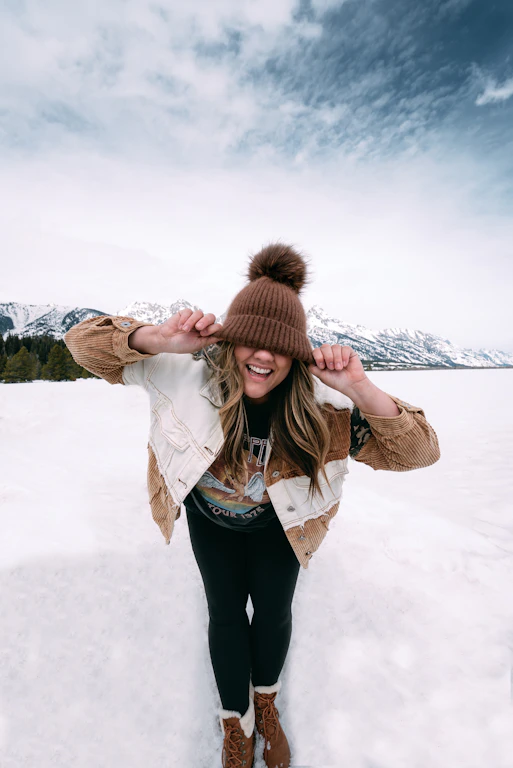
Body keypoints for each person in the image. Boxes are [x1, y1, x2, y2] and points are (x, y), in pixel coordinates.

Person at [64, 242, 440, 768]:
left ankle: (266, 703)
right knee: (224, 614)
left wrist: (359, 387)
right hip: (210, 522)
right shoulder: (182, 371)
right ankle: (234, 722)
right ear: (233, 340)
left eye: (279, 347)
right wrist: (158, 338)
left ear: (296, 353)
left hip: (281, 530)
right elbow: (80, 344)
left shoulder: (326, 405)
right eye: (252, 342)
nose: (263, 357)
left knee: (272, 613)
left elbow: (419, 452)